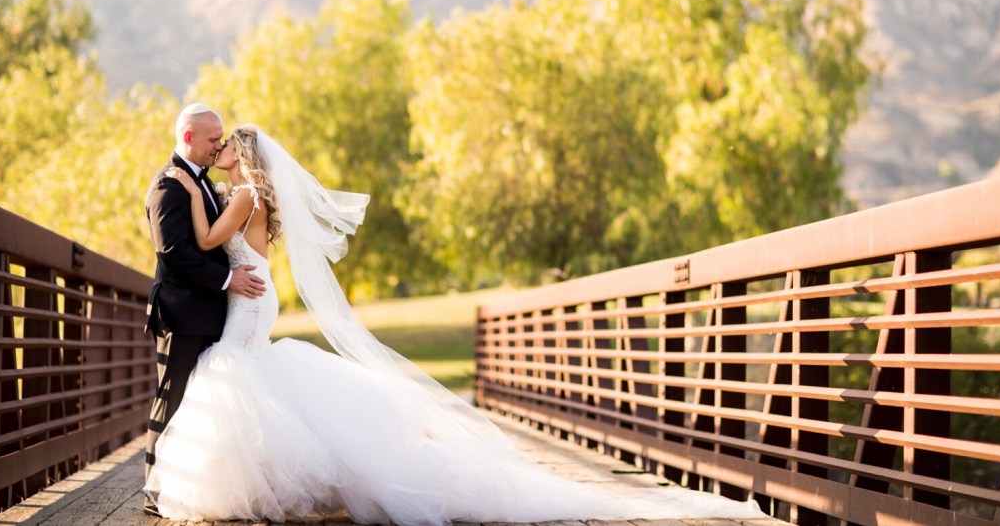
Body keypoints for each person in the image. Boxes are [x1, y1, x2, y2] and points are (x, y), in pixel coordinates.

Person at [143, 124, 761, 524]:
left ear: (239, 155)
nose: (219, 152)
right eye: (214, 146)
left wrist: (188, 185)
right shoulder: (254, 195)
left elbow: (200, 237)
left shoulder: (241, 195)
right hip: (257, 296)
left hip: (248, 302)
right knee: (257, 379)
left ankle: (261, 481)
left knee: (239, 374)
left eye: (225, 147)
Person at [142, 105, 267, 516]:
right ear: (189, 137)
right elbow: (174, 252)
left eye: (223, 139)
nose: (219, 145)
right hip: (182, 313)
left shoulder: (207, 185)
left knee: (205, 401)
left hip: (212, 311)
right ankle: (155, 492)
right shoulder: (168, 185)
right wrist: (228, 281)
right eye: (214, 139)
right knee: (173, 397)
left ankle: (205, 486)